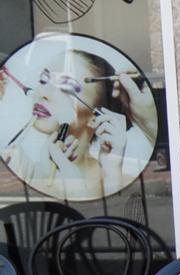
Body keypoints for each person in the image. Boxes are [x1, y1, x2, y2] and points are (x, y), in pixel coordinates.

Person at [0, 44, 157, 200]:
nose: (42, 94)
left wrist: (112, 175)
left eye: (66, 88)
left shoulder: (120, 179)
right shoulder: (20, 167)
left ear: (95, 118)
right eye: (43, 80)